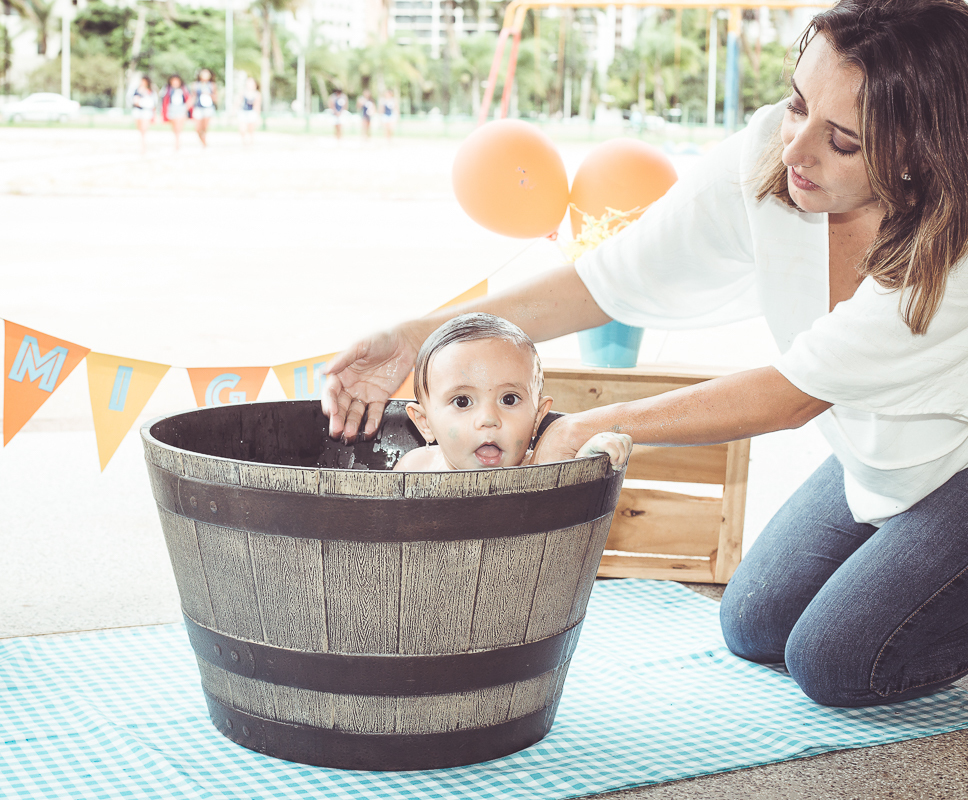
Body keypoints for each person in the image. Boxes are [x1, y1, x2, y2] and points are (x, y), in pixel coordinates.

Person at [321, 0, 968, 709]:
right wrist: (421, 333)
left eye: (841, 141)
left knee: (836, 662)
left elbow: (790, 396)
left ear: (919, 154)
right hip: (889, 451)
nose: (794, 150)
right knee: (754, 623)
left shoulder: (953, 261)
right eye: (796, 104)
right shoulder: (772, 158)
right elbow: (610, 276)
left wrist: (589, 427)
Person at [394, 313, 632, 471]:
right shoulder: (415, 467)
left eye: (508, 399)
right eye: (462, 401)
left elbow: (566, 498)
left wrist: (587, 459)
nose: (488, 419)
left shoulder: (540, 467)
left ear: (537, 417)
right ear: (424, 422)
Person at [191, 68, 218, 148]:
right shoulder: (196, 85)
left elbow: (216, 98)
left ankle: (204, 144)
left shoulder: (212, 85)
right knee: (197, 128)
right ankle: (204, 142)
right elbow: (193, 97)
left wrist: (209, 94)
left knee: (205, 127)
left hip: (208, 108)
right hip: (198, 108)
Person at [161, 74, 190, 151]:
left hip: (181, 108)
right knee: (174, 128)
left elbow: (189, 98)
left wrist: (186, 109)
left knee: (179, 127)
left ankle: (177, 143)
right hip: (171, 109)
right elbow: (164, 101)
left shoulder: (184, 89)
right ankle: (177, 142)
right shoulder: (167, 89)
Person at [130, 75, 156, 155]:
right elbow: (133, 100)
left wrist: (140, 102)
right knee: (139, 130)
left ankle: (144, 146)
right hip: (138, 112)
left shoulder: (151, 91)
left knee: (144, 130)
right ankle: (141, 145)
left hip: (146, 112)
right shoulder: (136, 90)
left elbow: (152, 103)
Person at [238, 77, 261, 146]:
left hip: (252, 112)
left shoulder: (257, 94)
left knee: (251, 129)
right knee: (242, 128)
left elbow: (257, 106)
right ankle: (244, 141)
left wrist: (258, 116)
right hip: (243, 112)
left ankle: (251, 141)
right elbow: (238, 102)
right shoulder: (243, 92)